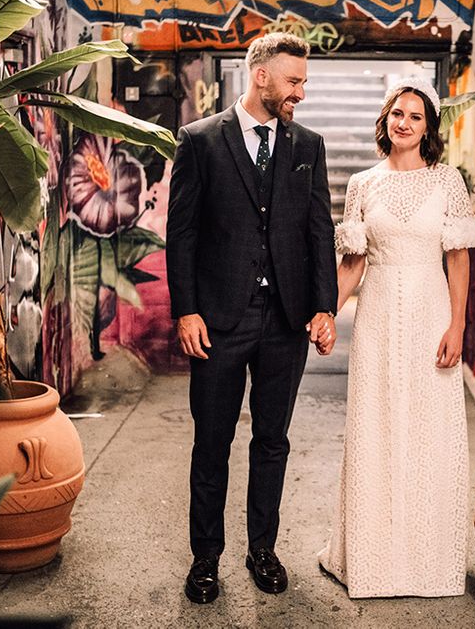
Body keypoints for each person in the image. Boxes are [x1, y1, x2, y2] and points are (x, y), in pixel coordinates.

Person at [166, 32, 338, 604]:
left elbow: (319, 230)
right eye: (294, 81)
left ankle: (262, 548)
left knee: (272, 440)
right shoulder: (199, 140)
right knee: (211, 443)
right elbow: (183, 233)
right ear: (260, 75)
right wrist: (186, 310)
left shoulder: (307, 145)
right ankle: (205, 558)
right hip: (217, 318)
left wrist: (323, 306)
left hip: (285, 320)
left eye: (304, 83)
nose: (301, 93)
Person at [317, 77, 475, 598]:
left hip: (432, 312)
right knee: (377, 427)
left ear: (428, 127)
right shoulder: (364, 184)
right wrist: (329, 311)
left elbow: (458, 259)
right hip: (378, 316)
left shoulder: (448, 182)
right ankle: (372, 560)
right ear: (385, 121)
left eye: (415, 116)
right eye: (397, 113)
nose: (404, 123)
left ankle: (427, 562)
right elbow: (353, 263)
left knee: (430, 429)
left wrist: (457, 325)